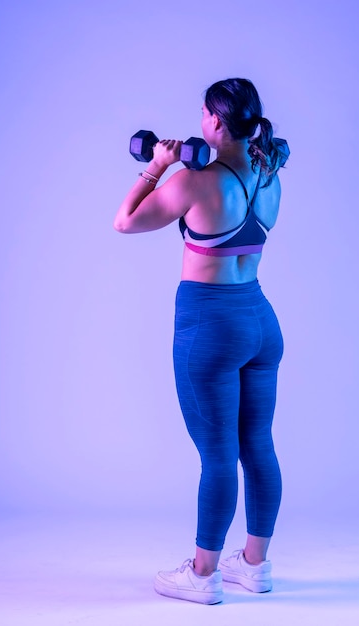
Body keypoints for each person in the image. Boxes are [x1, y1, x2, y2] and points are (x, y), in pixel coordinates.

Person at [113, 78, 286, 605]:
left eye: (205, 113)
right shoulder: (270, 172)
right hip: (260, 321)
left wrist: (156, 167)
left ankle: (203, 574)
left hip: (210, 328)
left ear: (215, 121)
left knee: (218, 455)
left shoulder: (197, 183)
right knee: (257, 446)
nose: (201, 119)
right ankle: (254, 565)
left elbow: (125, 222)